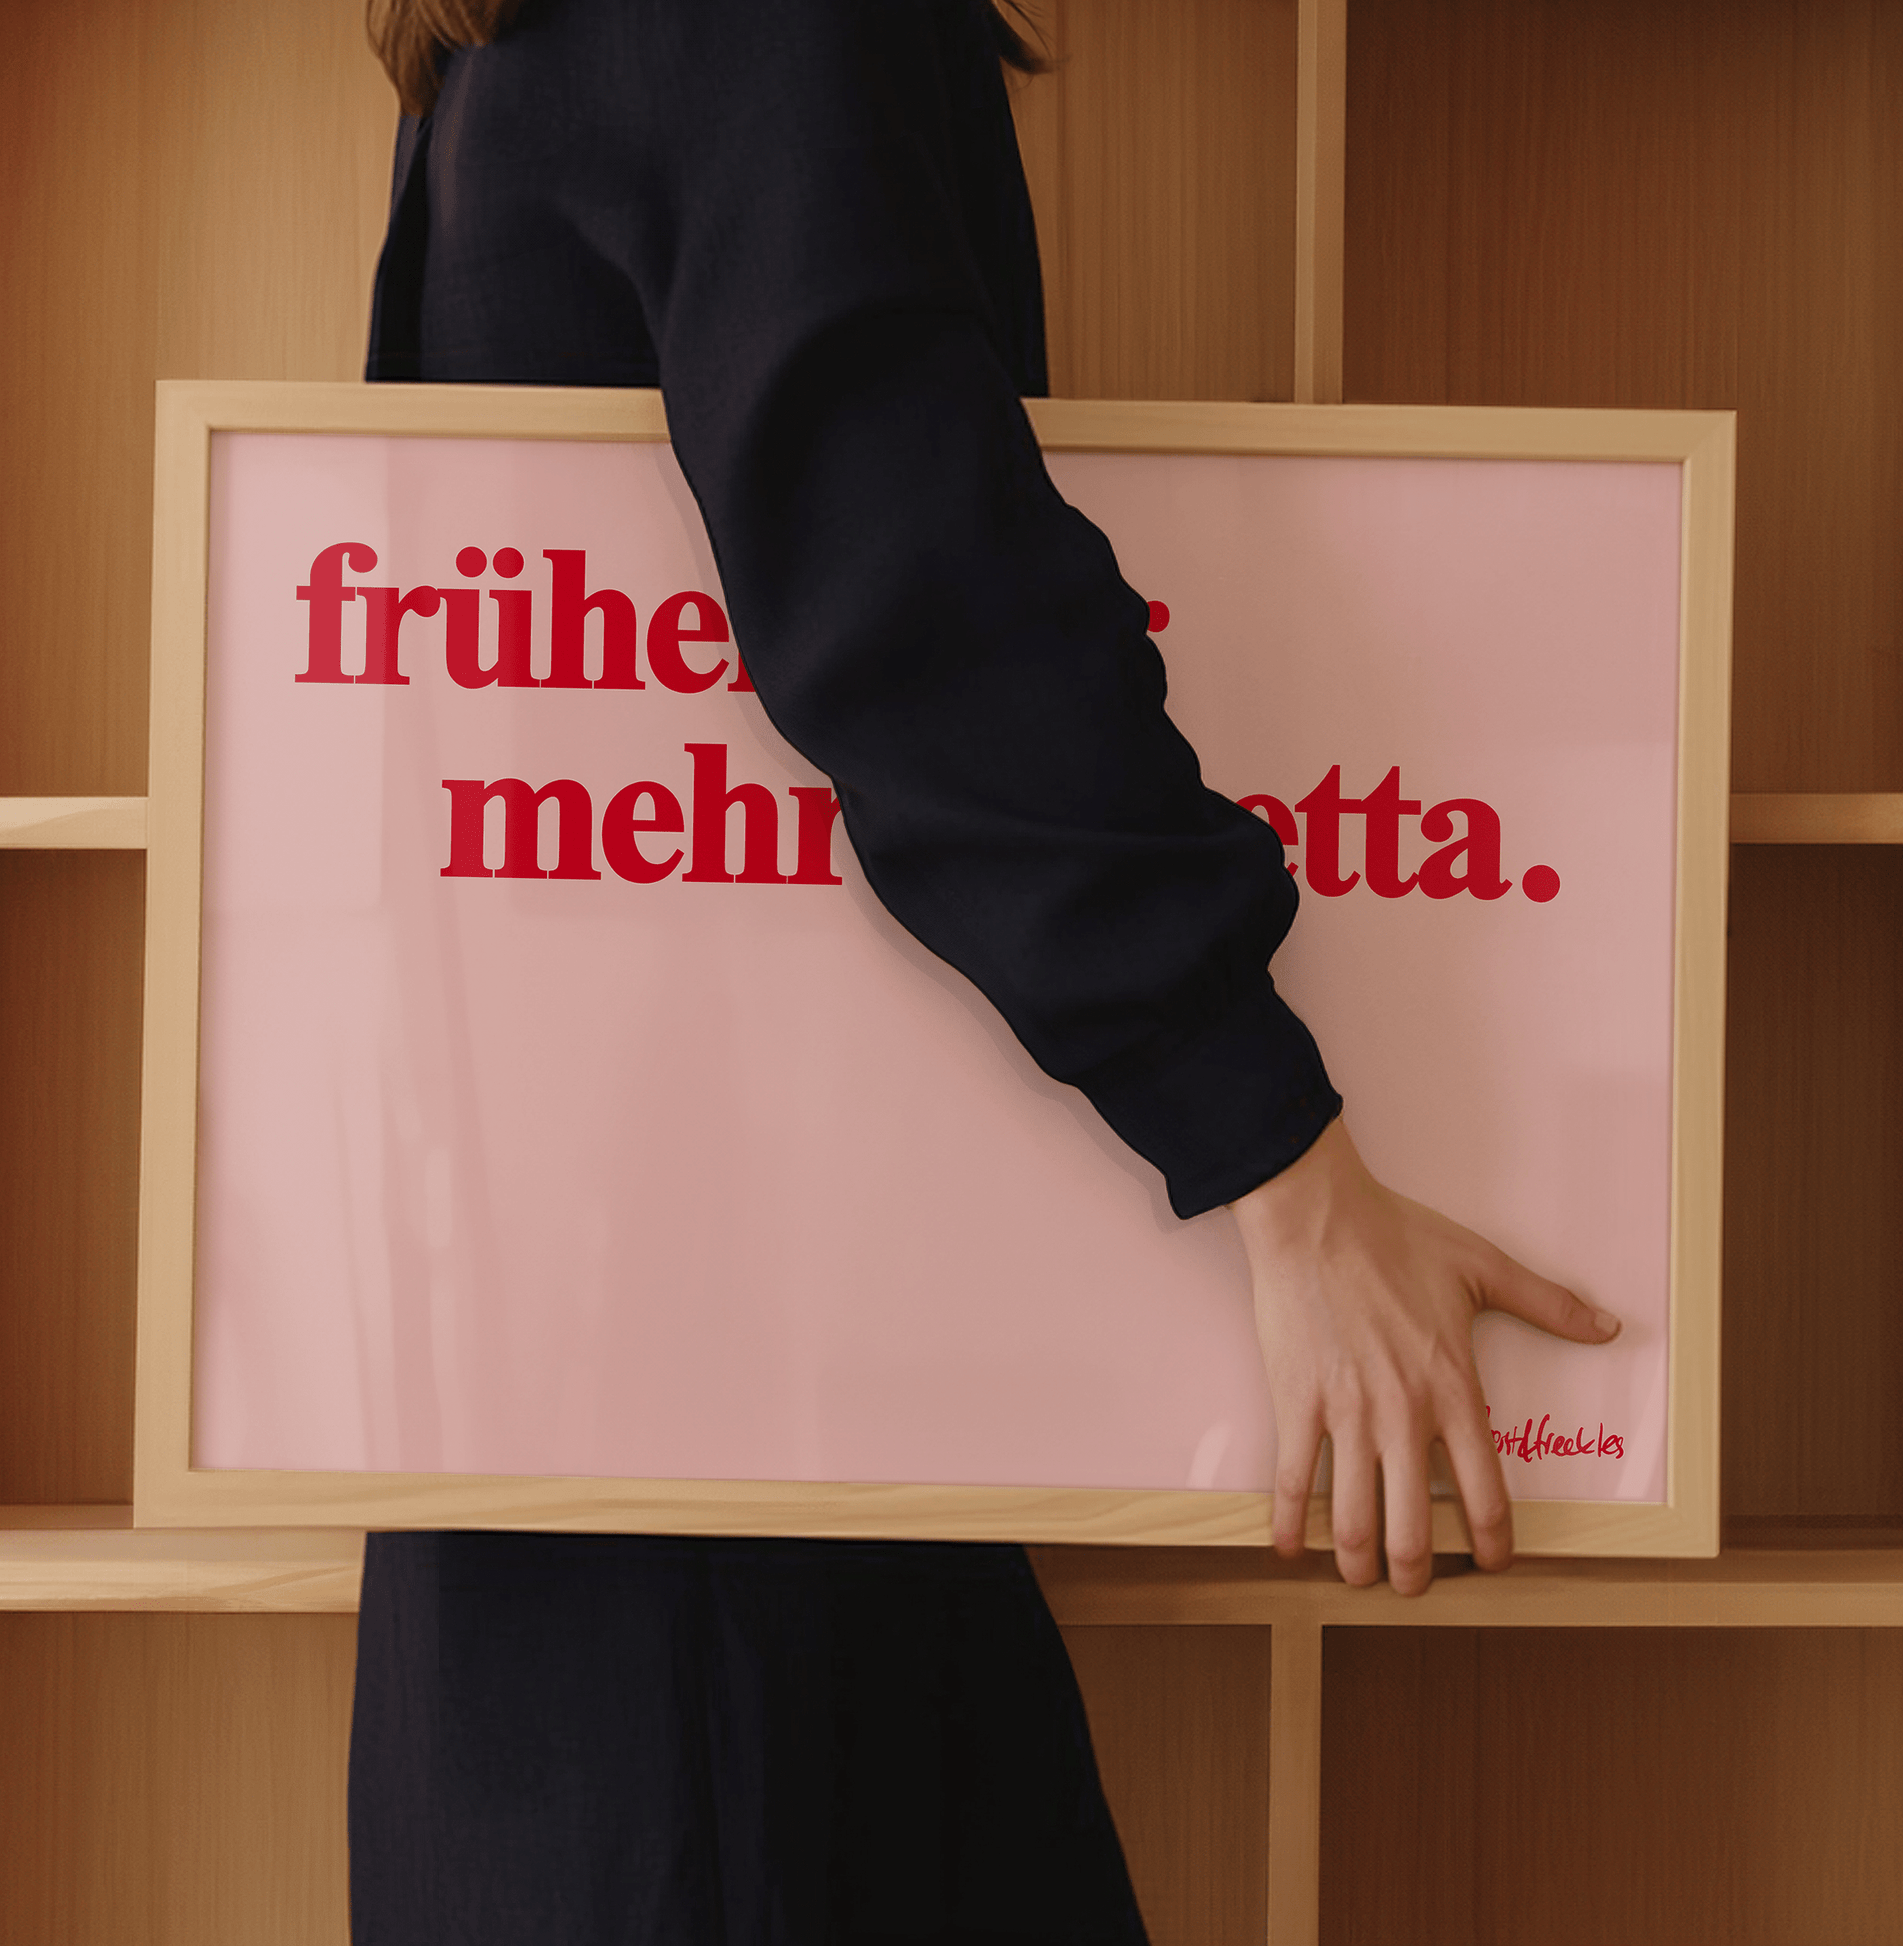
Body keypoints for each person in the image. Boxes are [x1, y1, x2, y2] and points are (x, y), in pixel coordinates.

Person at [349, 3, 1621, 1938]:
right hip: (732, 1492)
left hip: (640, 1414)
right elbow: (916, 602)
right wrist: (1283, 1166)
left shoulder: (536, 44)